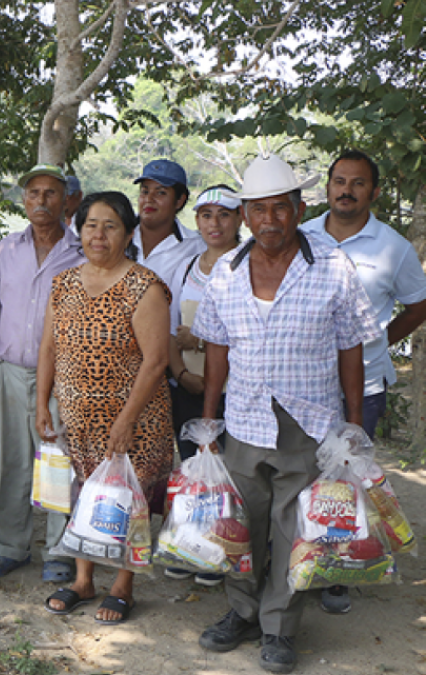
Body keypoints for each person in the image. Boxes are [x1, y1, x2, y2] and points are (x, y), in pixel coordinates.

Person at [193, 154, 379, 674]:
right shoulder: (226, 274)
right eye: (259, 210)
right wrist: (209, 426)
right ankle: (242, 611)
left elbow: (350, 351)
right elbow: (215, 354)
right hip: (246, 420)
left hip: (309, 423)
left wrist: (352, 425)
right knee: (241, 526)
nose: (270, 220)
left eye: (281, 208)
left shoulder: (333, 269)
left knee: (294, 531)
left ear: (299, 210)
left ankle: (279, 628)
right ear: (246, 215)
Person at [36, 191, 173, 626]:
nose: (98, 234)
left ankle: (123, 585)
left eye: (110, 225)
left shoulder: (144, 286)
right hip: (78, 419)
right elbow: (48, 348)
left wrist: (126, 419)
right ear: (80, 232)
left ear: (129, 233)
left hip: (134, 419)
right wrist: (42, 402)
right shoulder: (63, 283)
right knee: (83, 496)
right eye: (91, 225)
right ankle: (82, 580)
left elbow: (156, 361)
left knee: (129, 500)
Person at [302, 149, 426, 615]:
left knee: (346, 481)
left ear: (373, 192)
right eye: (339, 181)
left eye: (357, 183)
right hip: (305, 383)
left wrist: (377, 340)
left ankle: (337, 571)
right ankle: (299, 553)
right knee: (303, 473)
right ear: (329, 186)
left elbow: (418, 303)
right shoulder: (304, 235)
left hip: (366, 385)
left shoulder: (392, 247)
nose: (346, 191)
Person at [0, 164, 85, 582]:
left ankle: (58, 550)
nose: (41, 201)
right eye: (33, 193)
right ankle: (11, 545)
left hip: (63, 377)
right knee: (13, 460)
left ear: (67, 201)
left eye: (51, 194)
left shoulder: (80, 254)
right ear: (24, 201)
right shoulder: (6, 250)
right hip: (8, 372)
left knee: (57, 460)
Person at [164, 184, 243, 586]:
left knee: (229, 472)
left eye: (225, 215)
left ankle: (221, 546)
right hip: (188, 387)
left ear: (240, 219)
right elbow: (170, 325)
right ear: (197, 220)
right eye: (207, 215)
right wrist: (181, 374)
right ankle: (189, 544)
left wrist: (203, 341)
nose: (215, 224)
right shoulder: (187, 267)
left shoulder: (249, 265)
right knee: (193, 467)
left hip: (234, 391)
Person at [133, 159, 206, 296]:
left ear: (179, 201)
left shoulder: (196, 247)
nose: (149, 199)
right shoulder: (118, 236)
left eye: (160, 193)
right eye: (145, 191)